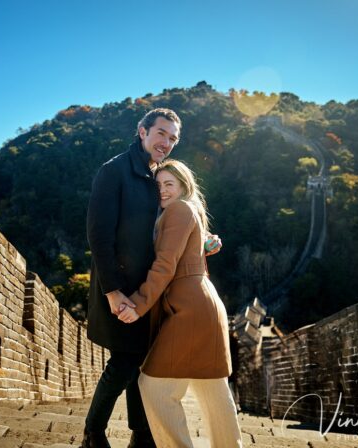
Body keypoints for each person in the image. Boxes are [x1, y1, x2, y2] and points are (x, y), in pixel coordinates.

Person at [117, 159, 242, 448]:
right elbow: (185, 256)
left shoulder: (178, 210)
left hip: (190, 309)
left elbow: (165, 264)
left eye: (168, 184)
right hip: (202, 303)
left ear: (184, 185)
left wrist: (137, 303)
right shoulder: (186, 210)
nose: (162, 190)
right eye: (157, 185)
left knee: (154, 386)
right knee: (213, 389)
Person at [83, 109, 182, 448]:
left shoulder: (159, 176)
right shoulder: (114, 172)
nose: (166, 143)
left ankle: (141, 435)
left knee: (141, 362)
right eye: (161, 134)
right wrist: (112, 292)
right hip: (121, 288)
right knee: (125, 360)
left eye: (172, 138)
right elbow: (98, 235)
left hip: (148, 291)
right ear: (142, 132)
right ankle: (93, 435)